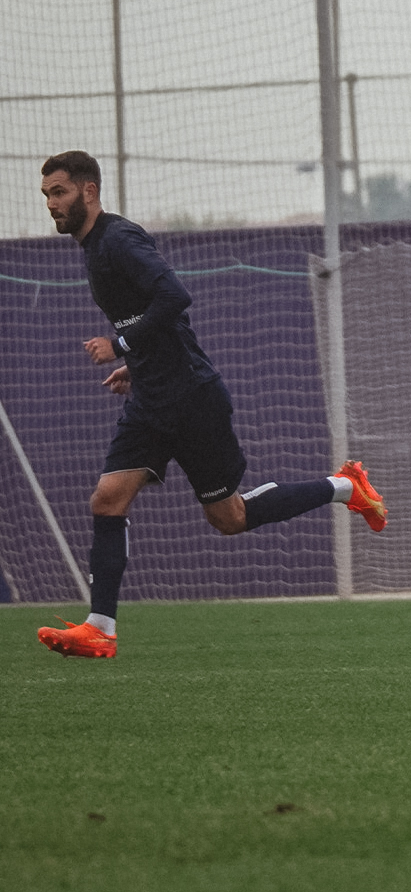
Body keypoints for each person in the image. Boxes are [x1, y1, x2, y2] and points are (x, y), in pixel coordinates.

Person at [36, 151, 385, 660]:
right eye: (46, 195)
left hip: (191, 400)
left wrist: (122, 346)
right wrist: (138, 366)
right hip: (152, 399)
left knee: (229, 518)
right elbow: (162, 323)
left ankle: (345, 486)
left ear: (89, 191)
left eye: (59, 192)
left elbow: (174, 297)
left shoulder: (118, 239)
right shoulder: (92, 247)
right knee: (107, 499)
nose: (51, 204)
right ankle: (100, 628)